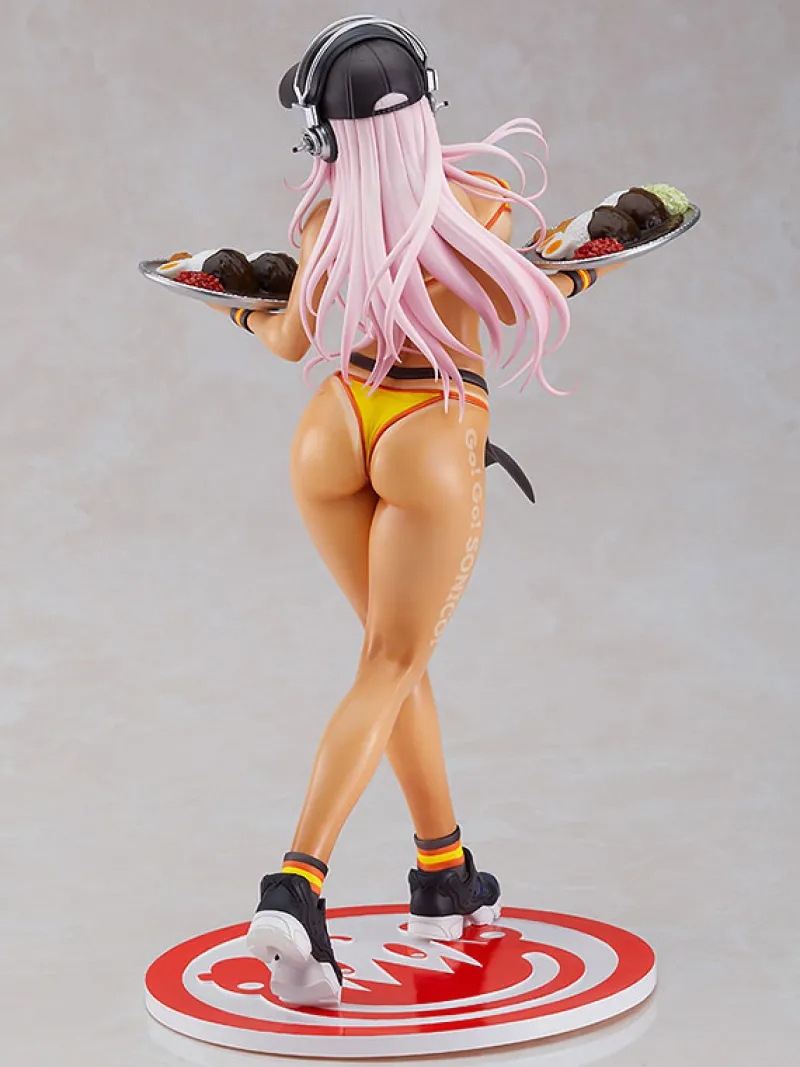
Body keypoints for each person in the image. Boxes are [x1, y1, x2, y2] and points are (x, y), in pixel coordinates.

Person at [219, 16, 619, 1009]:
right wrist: (586, 265)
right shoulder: (480, 204)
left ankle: (442, 871)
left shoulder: (325, 219)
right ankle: (294, 885)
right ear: (426, 102)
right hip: (427, 430)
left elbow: (289, 338)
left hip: (333, 424)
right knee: (392, 660)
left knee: (390, 658)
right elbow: (519, 299)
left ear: (325, 132)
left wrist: (239, 305)